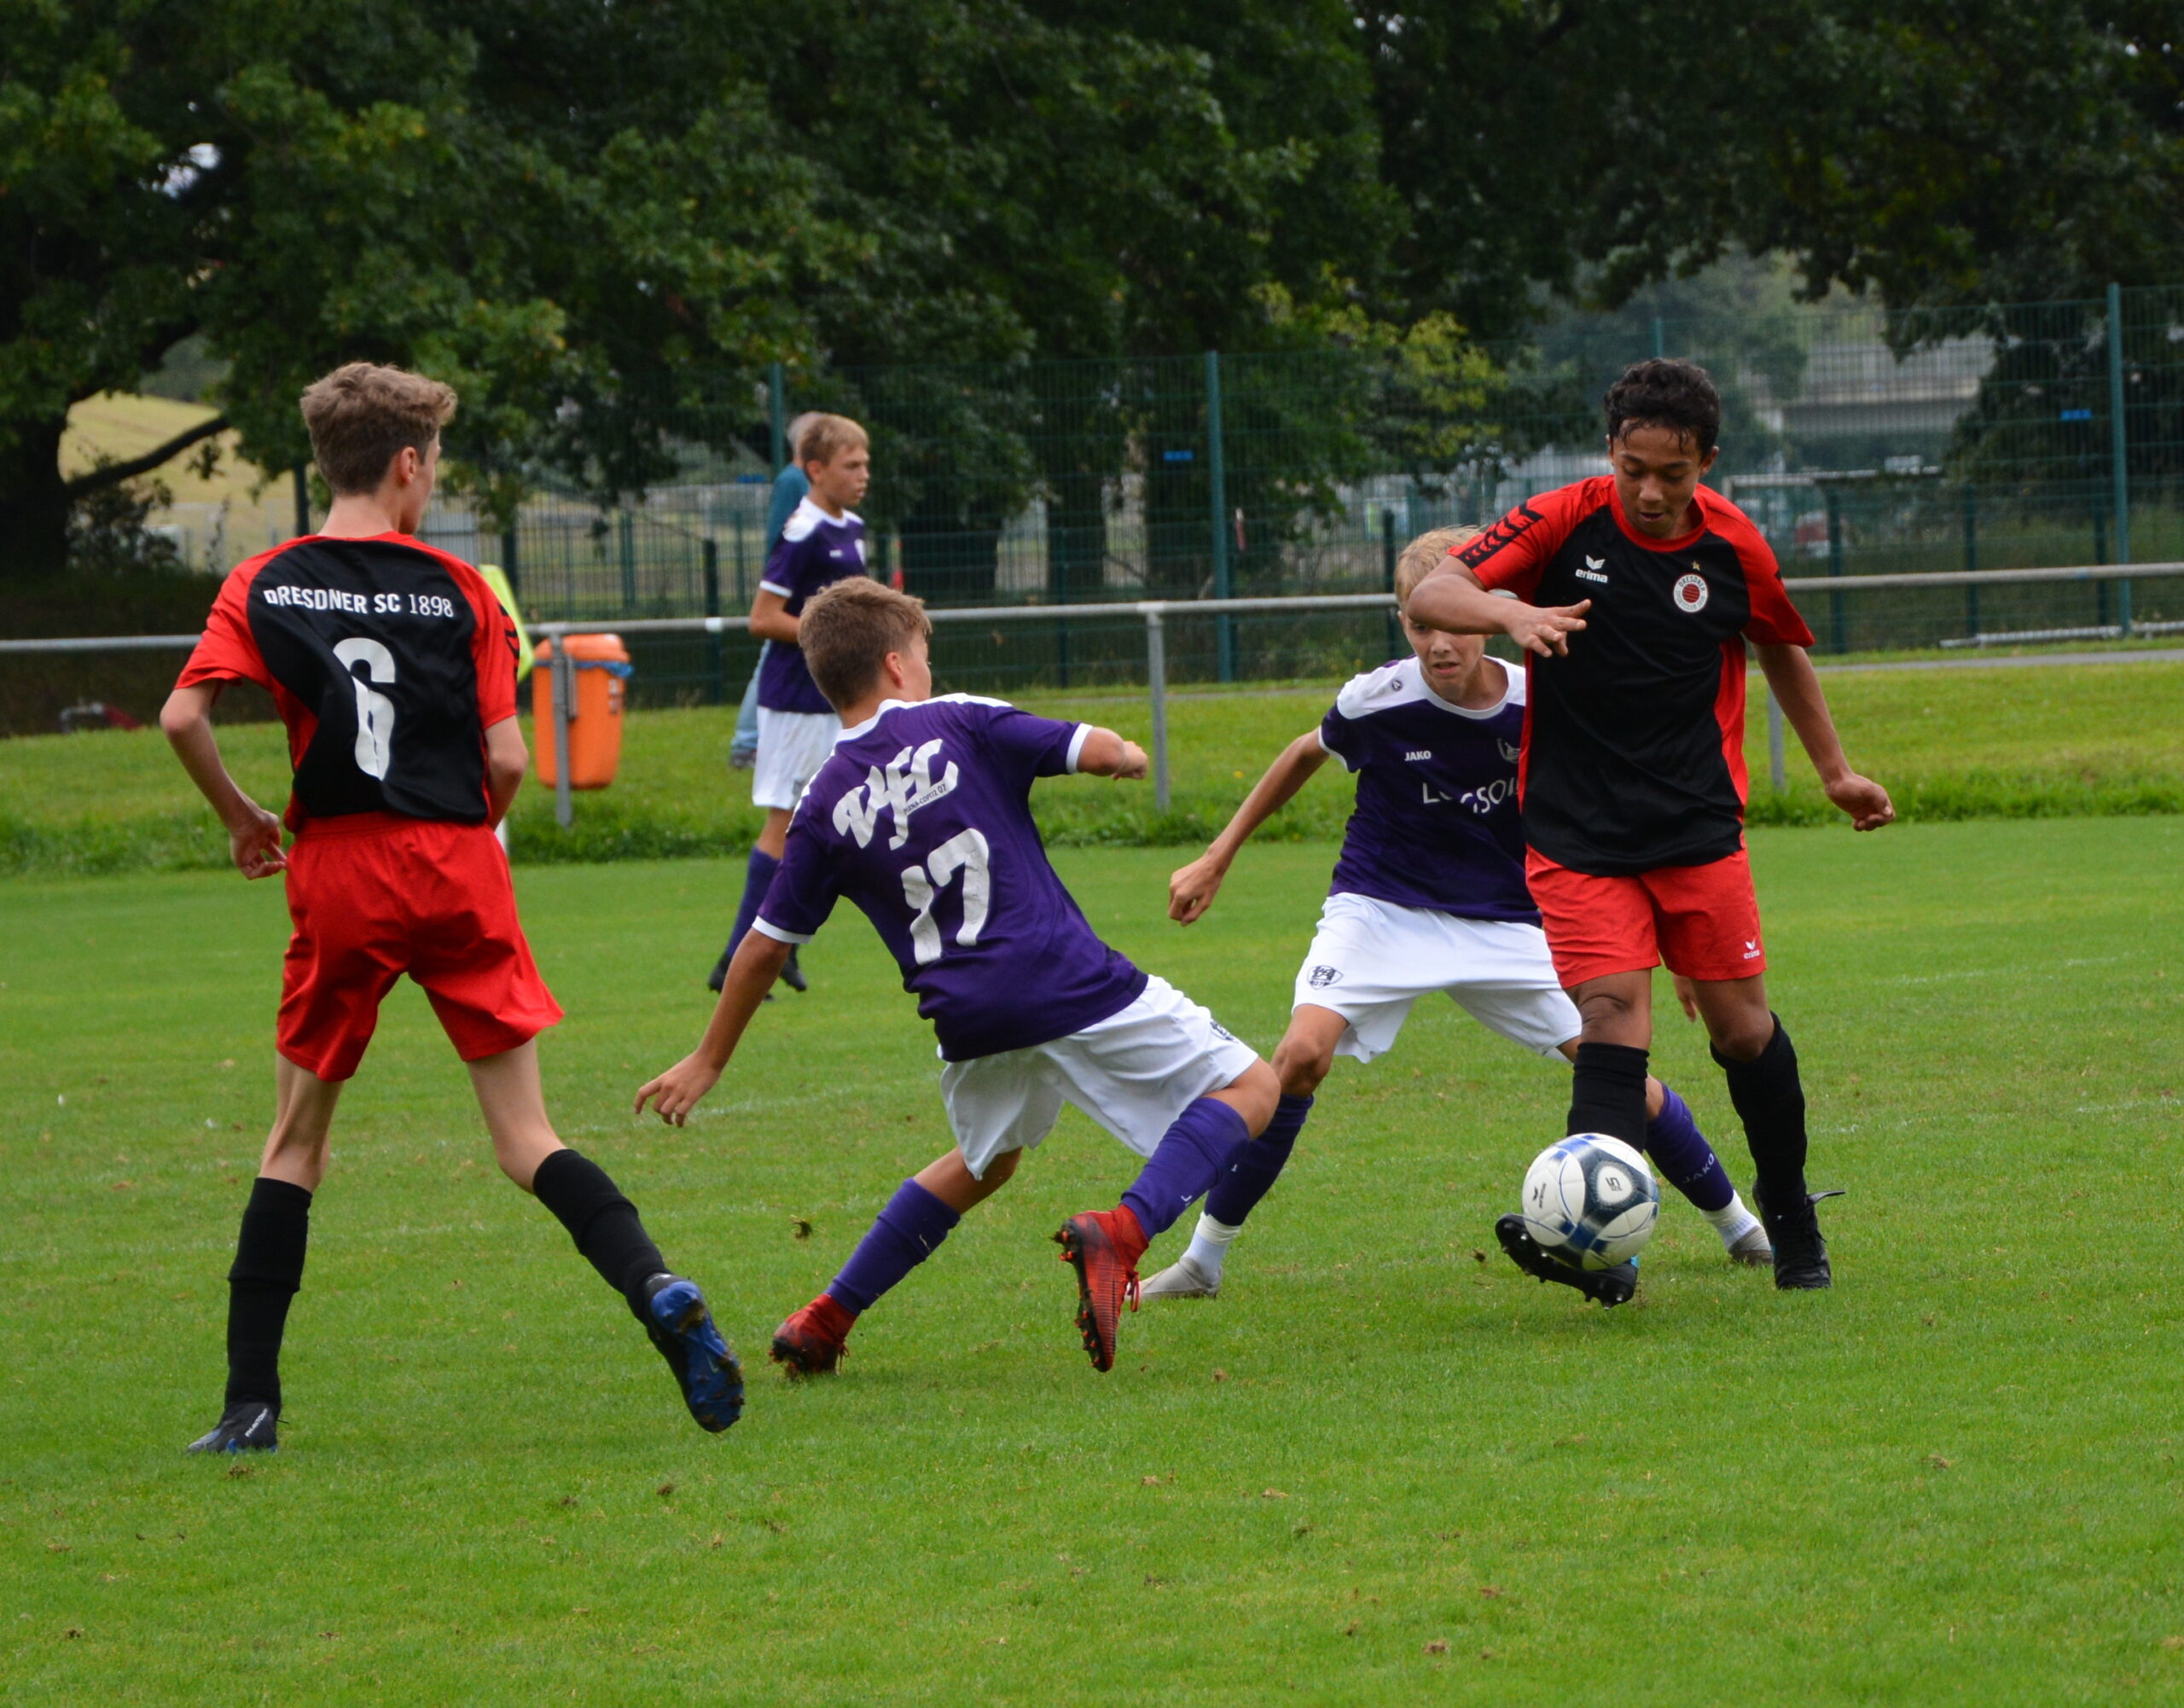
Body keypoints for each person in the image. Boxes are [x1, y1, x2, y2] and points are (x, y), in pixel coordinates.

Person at [160, 362, 741, 1451]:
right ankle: (654, 1283)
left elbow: (182, 718)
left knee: (294, 1142)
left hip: (339, 864)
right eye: (433, 466)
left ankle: (249, 1405)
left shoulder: (264, 580)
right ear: (407, 464)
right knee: (526, 1137)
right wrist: (464, 839)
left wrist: (244, 818)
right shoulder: (464, 589)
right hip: (457, 858)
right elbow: (508, 759)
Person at [637, 579, 1282, 1374]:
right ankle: (1124, 1232)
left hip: (967, 1018)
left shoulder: (822, 800)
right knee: (1254, 1088)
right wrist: (1130, 755)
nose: (930, 671)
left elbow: (765, 947)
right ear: (896, 664)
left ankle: (825, 1319)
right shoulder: (960, 718)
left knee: (987, 1163)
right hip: (1061, 980)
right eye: (925, 656)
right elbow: (1102, 752)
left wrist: (708, 1059)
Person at [1147, 526, 1769, 1310]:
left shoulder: (1541, 699)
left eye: (1455, 624)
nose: (1440, 644)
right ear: (1402, 622)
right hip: (1382, 908)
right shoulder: (1378, 699)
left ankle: (1741, 1228)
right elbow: (1306, 752)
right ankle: (1203, 1262)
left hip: (1509, 921)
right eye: (1420, 625)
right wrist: (1217, 856)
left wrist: (1676, 948)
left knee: (1619, 1074)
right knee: (1298, 1057)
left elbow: (1623, 814)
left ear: (1492, 614)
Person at [1407, 358, 1895, 1290]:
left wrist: (1835, 773)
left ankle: (1789, 1212)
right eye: (1634, 469)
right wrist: (1512, 611)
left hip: (1695, 824)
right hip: (1574, 829)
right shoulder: (1560, 519)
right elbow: (1435, 594)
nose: (1651, 491)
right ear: (1611, 452)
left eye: (1673, 473)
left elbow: (1780, 645)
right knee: (1610, 1016)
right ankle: (1598, 1250)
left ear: (1706, 461)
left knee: (1741, 1031)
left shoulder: (1734, 545)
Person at [708, 413, 872, 996]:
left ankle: (783, 947)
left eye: (866, 464)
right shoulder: (803, 531)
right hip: (796, 703)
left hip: (832, 697)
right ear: (816, 470)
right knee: (787, 822)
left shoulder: (851, 527)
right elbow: (763, 617)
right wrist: (832, 633)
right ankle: (738, 957)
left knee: (832, 821)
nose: (863, 475)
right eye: (851, 465)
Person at [726, 412, 821, 770]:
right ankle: (746, 743)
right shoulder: (792, 481)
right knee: (769, 661)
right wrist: (785, 589)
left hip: (802, 592)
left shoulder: (802, 480)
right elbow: (779, 541)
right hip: (790, 596)